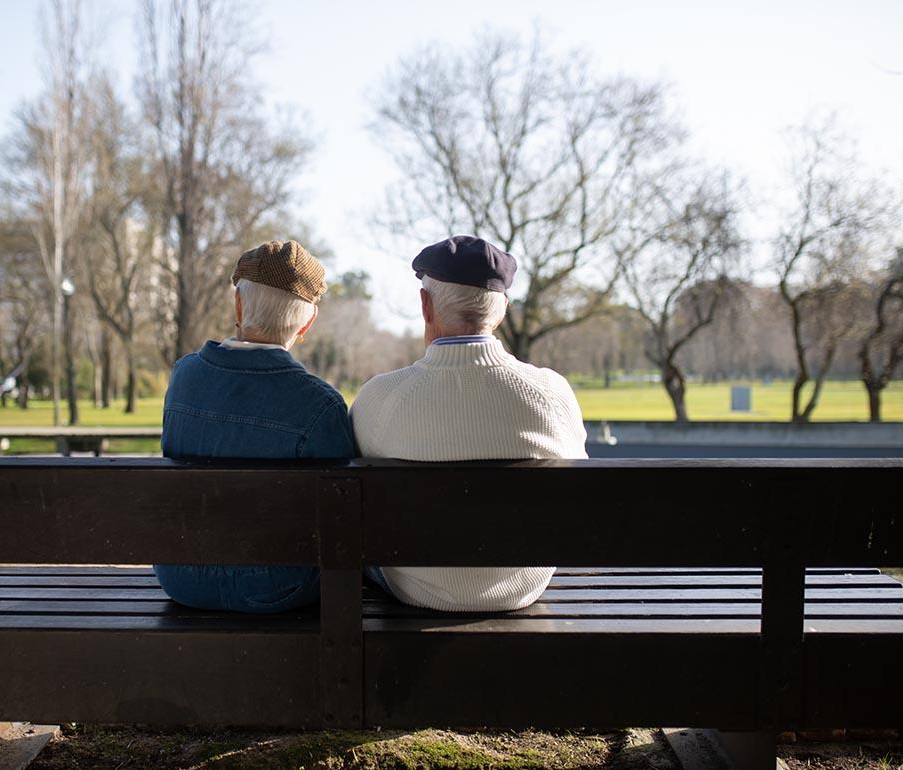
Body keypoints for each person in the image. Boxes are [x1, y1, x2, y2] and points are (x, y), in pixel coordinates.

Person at [350, 235, 588, 612]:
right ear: (502, 310)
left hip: (416, 588)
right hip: (521, 586)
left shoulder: (379, 398)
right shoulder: (551, 393)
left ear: (426, 305)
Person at [154, 240, 354, 613]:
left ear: (239, 304)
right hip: (275, 588)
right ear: (307, 323)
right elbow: (339, 521)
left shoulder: (183, 377)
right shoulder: (321, 405)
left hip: (180, 576)